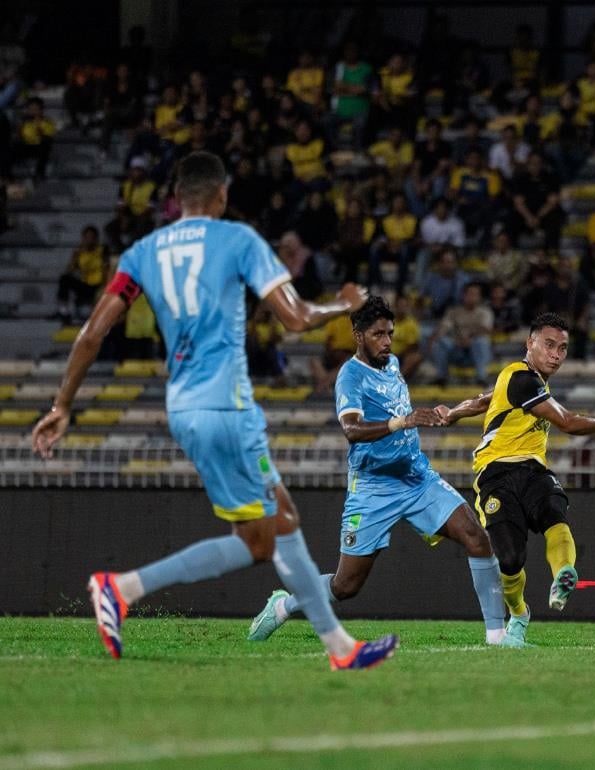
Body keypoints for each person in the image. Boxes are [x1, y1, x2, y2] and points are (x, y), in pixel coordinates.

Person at [30, 151, 396, 670]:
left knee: (260, 536)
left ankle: (126, 588)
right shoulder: (237, 240)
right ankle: (338, 648)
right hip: (227, 404)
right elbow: (294, 318)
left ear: (176, 198)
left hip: (183, 409)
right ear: (222, 195)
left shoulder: (141, 252)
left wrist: (62, 405)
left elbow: (92, 334)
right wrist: (345, 305)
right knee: (277, 526)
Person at [247, 296, 513, 647]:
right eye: (378, 334)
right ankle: (283, 606)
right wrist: (404, 421)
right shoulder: (350, 376)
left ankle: (498, 639)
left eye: (390, 333)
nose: (387, 341)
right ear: (358, 336)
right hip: (373, 487)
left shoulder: (392, 363)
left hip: (417, 478)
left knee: (476, 538)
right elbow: (352, 429)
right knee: (346, 586)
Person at [435, 313, 595, 645]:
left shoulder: (521, 380)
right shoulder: (522, 379)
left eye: (563, 348)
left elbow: (484, 400)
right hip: (496, 473)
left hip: (534, 470)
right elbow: (566, 421)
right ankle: (520, 614)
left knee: (554, 510)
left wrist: (453, 412)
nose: (557, 354)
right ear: (530, 343)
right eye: (549, 345)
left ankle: (564, 574)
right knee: (510, 559)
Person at [430, 283, 494, 386]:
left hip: (475, 352)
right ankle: (441, 377)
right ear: (463, 295)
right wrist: (435, 337)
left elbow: (486, 329)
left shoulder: (485, 312)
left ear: (479, 297)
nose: (472, 297)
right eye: (469, 294)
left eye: (475, 294)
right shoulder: (454, 312)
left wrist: (469, 337)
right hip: (457, 348)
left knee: (482, 342)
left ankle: (481, 377)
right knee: (441, 342)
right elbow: (444, 327)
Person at [55, 225, 109, 323]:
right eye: (87, 237)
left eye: (92, 237)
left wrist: (104, 286)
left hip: (98, 286)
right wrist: (75, 257)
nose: (89, 240)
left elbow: (106, 270)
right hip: (85, 285)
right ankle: (63, 311)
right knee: (64, 279)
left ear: (96, 239)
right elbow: (69, 271)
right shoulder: (79, 252)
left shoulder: (102, 250)